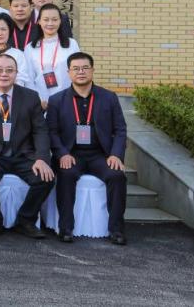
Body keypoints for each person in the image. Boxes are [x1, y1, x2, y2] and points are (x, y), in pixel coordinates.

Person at [0, 53, 55, 239]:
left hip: (23, 155)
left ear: (16, 73)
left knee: (46, 178)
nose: (4, 74)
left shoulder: (30, 97)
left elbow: (40, 131)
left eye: (9, 70)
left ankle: (26, 220)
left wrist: (42, 158)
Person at [47, 52, 128, 245]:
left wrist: (116, 155)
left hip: (101, 155)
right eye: (75, 68)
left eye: (85, 68)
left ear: (92, 70)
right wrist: (62, 154)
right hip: (71, 154)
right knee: (66, 174)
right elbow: (51, 132)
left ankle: (116, 229)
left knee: (117, 176)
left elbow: (120, 129)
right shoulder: (57, 100)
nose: (81, 72)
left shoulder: (108, 97)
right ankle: (66, 228)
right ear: (69, 72)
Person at [24, 3, 80, 106]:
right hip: (41, 102)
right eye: (46, 20)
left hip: (67, 100)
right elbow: (29, 78)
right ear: (39, 21)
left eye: (54, 20)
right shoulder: (30, 48)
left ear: (60, 21)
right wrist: (38, 100)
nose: (50, 23)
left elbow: (77, 72)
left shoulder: (71, 44)